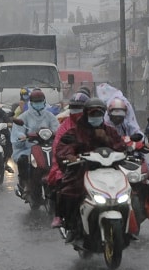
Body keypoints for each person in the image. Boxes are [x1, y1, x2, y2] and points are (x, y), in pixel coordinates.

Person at [55, 98, 126, 242]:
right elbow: (63, 147)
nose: (96, 117)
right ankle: (71, 226)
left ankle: (129, 228)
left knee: (130, 193)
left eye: (99, 113)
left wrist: (106, 139)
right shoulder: (75, 131)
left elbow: (122, 147)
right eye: (93, 114)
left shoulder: (110, 131)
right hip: (82, 171)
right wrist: (70, 156)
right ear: (86, 114)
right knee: (69, 192)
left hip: (109, 171)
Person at [46, 91, 89, 228]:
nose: (77, 112)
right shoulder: (65, 127)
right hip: (69, 165)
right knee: (63, 184)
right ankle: (60, 216)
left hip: (94, 164)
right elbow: (58, 147)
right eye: (74, 109)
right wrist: (69, 157)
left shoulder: (97, 124)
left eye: (80, 109)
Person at [11, 89, 59, 198]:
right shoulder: (24, 117)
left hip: (48, 147)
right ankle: (26, 184)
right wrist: (21, 137)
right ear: (31, 103)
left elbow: (57, 129)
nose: (38, 104)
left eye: (40, 101)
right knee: (24, 160)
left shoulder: (50, 116)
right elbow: (17, 131)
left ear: (44, 101)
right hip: (28, 149)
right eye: (35, 102)